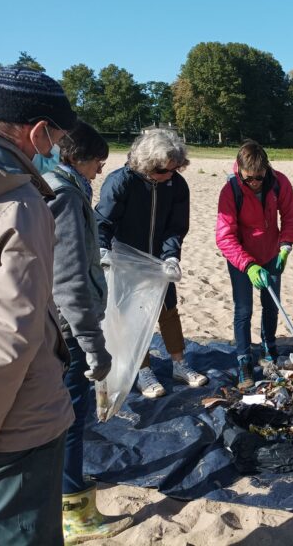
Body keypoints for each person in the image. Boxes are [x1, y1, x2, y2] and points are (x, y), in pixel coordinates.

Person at [0, 66, 77, 545]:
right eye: (56, 135)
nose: (54, 147)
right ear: (38, 132)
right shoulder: (16, 202)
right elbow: (8, 340)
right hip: (12, 426)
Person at [44, 122, 133, 542]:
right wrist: (93, 346)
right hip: (68, 329)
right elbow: (69, 281)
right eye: (100, 161)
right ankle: (74, 510)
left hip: (59, 326)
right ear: (82, 157)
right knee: (73, 417)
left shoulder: (57, 185)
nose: (101, 170)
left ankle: (65, 486)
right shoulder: (65, 194)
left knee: (66, 415)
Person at [96, 129, 206, 398]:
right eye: (163, 170)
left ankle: (179, 364)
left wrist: (171, 255)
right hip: (125, 259)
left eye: (174, 169)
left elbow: (176, 226)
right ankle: (142, 369)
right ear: (146, 165)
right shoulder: (120, 182)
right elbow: (104, 221)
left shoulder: (176, 185)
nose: (169, 175)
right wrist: (101, 249)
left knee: (168, 309)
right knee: (132, 315)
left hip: (158, 260)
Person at [215, 139, 293, 388]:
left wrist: (285, 246)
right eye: (248, 178)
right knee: (243, 309)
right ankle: (243, 360)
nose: (254, 183)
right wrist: (248, 265)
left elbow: (291, 215)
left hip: (272, 253)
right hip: (241, 259)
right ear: (239, 170)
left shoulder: (278, 182)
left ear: (267, 169)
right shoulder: (230, 191)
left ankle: (268, 349)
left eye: (259, 177)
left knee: (271, 304)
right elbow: (225, 236)